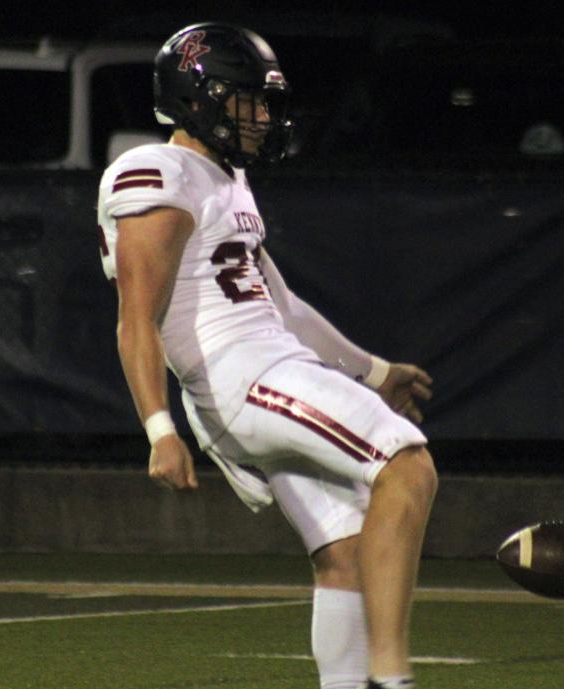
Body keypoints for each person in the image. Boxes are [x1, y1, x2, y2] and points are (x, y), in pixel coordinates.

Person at [96, 23, 437, 689]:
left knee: (343, 549)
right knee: (408, 463)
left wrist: (373, 370)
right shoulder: (155, 172)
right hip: (239, 376)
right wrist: (158, 429)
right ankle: (391, 678)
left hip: (267, 367)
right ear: (196, 98)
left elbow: (282, 306)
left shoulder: (223, 178)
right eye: (243, 100)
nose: (258, 116)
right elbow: (135, 318)